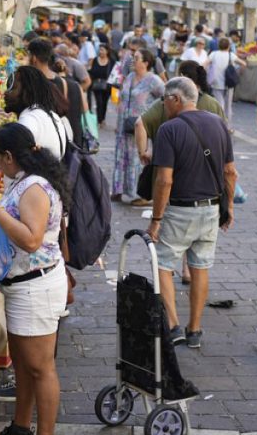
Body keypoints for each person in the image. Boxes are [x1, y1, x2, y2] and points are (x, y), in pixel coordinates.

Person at [0, 122, 69, 435]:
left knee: (41, 368)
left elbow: (30, 239)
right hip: (22, 284)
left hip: (36, 286)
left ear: (10, 156)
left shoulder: (35, 189)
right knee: (24, 365)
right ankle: (21, 430)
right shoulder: (24, 182)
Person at [146, 77, 236, 348]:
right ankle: (195, 329)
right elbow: (230, 171)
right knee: (200, 267)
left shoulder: (168, 130)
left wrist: (156, 219)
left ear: (175, 99)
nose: (163, 106)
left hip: (179, 211)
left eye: (164, 100)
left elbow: (164, 180)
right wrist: (228, 206)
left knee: (162, 265)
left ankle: (173, 326)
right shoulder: (219, 123)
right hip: (210, 208)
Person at [112, 49, 164, 206]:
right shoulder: (129, 77)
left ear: (146, 63)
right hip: (124, 125)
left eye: (136, 58)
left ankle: (141, 194)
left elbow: (165, 97)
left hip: (141, 126)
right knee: (122, 158)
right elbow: (121, 98)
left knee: (137, 159)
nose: (132, 61)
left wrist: (155, 117)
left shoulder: (153, 80)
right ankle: (119, 189)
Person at [207, 38, 244, 128]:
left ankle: (219, 126)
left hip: (216, 83)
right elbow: (243, 63)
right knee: (228, 107)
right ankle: (227, 127)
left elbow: (204, 64)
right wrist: (238, 73)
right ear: (228, 46)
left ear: (219, 45)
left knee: (219, 105)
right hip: (229, 84)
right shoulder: (231, 55)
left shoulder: (213, 54)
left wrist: (207, 74)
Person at [88, 44, 114, 125]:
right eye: (100, 50)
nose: (100, 52)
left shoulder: (111, 61)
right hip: (97, 84)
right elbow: (91, 71)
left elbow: (114, 73)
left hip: (107, 85)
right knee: (99, 102)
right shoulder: (95, 60)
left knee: (105, 102)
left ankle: (102, 118)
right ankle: (99, 120)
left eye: (102, 50)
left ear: (107, 51)